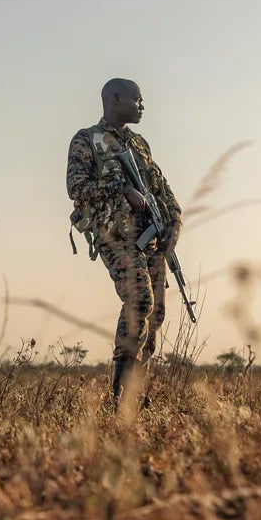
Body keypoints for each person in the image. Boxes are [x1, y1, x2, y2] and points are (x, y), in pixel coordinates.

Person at [66, 78, 183, 403]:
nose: (142, 106)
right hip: (115, 234)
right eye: (137, 99)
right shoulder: (87, 139)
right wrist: (120, 189)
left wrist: (175, 221)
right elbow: (76, 187)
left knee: (156, 313)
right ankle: (119, 394)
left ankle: (135, 389)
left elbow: (160, 187)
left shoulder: (140, 144)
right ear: (115, 98)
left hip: (151, 238)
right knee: (140, 300)